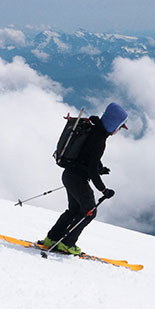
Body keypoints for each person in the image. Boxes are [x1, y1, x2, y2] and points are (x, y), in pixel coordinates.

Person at [40, 102, 128, 255]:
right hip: (77, 178)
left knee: (74, 210)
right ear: (114, 124)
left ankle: (51, 239)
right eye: (120, 127)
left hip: (69, 175)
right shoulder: (99, 139)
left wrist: (101, 168)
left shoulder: (93, 129)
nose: (118, 130)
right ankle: (67, 244)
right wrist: (103, 189)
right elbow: (92, 168)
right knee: (89, 211)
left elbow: (87, 156)